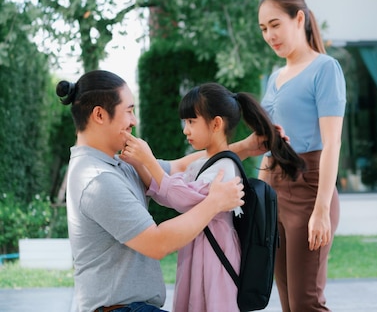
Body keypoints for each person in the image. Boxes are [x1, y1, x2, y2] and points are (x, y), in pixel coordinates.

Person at [56, 70, 263, 312]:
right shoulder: (98, 179)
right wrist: (214, 203)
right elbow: (157, 243)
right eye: (129, 110)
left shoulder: (118, 163)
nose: (134, 121)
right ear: (100, 115)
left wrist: (244, 147)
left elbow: (176, 168)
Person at [120, 82, 304, 312]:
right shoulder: (202, 163)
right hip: (202, 256)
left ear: (216, 123)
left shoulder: (225, 168)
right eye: (185, 122)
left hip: (216, 261)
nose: (185, 130)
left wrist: (147, 160)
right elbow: (168, 194)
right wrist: (139, 165)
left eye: (191, 122)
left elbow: (182, 198)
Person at [257, 0, 347, 311]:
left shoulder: (325, 69)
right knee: (288, 302)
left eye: (275, 24)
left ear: (299, 19)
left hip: (310, 191)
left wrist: (321, 209)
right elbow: (270, 142)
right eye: (264, 29)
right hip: (275, 191)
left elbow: (332, 142)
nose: (270, 35)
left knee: (306, 302)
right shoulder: (274, 78)